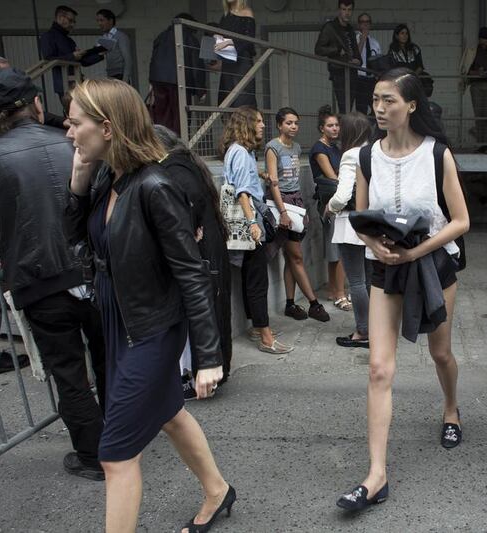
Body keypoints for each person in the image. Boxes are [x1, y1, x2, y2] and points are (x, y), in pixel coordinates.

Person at [65, 78, 235, 532]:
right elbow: (76, 239)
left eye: (74, 123)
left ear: (106, 127)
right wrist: (79, 183)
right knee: (169, 414)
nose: (67, 133)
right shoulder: (107, 176)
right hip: (122, 323)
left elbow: (192, 273)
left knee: (115, 455)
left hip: (152, 332)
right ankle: (218, 491)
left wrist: (208, 358)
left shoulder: (155, 186)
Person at [336, 68, 470, 510]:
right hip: (385, 269)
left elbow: (460, 221)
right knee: (379, 368)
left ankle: (451, 407)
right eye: (375, 99)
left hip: (431, 264)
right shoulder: (366, 157)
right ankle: (376, 475)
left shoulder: (437, 154)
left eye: (388, 99)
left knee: (440, 352)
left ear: (411, 105)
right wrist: (378, 245)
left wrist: (414, 253)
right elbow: (360, 219)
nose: (379, 107)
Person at [0, 68, 107, 480]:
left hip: (39, 279)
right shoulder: (72, 142)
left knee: (69, 370)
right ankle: (122, 440)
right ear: (37, 103)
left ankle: (92, 455)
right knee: (109, 360)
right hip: (93, 271)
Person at [154, 125, 236, 384]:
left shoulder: (175, 170)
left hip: (201, 254)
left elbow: (184, 215)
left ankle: (202, 374)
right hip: (209, 252)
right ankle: (208, 371)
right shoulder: (185, 164)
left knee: (203, 316)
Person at [220, 106, 293, 354]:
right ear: (247, 124)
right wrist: (253, 224)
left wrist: (262, 174)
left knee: (250, 277)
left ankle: (255, 327)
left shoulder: (241, 151)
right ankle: (265, 337)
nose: (263, 125)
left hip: (245, 224)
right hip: (249, 224)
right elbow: (242, 191)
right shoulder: (240, 153)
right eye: (259, 121)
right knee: (257, 280)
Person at [265, 107, 331, 322]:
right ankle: (313, 303)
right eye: (289, 123)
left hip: (296, 203)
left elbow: (294, 182)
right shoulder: (272, 148)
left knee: (290, 256)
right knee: (297, 256)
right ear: (279, 125)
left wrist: (300, 210)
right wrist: (283, 212)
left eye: (296, 123)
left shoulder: (294, 147)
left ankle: (290, 304)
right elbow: (274, 182)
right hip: (282, 204)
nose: (293, 127)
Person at [327, 111, 373, 348]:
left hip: (350, 223)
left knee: (355, 281)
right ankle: (376, 327)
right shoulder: (375, 151)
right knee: (368, 280)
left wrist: (330, 207)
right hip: (371, 223)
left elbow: (343, 194)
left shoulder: (349, 155)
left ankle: (363, 332)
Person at [310, 105, 350, 311]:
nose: (335, 129)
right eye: (330, 125)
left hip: (338, 202)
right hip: (329, 203)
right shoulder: (319, 149)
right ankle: (339, 293)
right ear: (321, 128)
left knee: (337, 248)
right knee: (337, 248)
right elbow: (333, 177)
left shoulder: (335, 147)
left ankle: (335, 290)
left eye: (337, 125)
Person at [148, 13, 206, 135]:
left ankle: (163, 145)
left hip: (158, 81)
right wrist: (201, 91)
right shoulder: (190, 38)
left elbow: (153, 61)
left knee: (162, 117)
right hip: (180, 82)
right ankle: (179, 146)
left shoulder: (161, 36)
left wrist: (151, 83)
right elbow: (196, 66)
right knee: (180, 119)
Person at [39, 5, 104, 103]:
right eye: (71, 21)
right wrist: (72, 56)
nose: (73, 25)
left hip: (77, 82)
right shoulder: (48, 36)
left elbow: (83, 61)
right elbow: (49, 60)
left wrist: (100, 54)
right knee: (72, 113)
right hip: (64, 85)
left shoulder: (68, 40)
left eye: (74, 22)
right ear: (61, 18)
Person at [315, 0, 361, 114]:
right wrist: (336, 50)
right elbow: (318, 50)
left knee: (349, 108)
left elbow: (356, 52)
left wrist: (358, 60)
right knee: (344, 108)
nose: (347, 13)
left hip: (352, 72)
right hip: (339, 71)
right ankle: (343, 130)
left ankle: (345, 130)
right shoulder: (330, 27)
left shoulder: (350, 28)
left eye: (349, 10)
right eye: (344, 9)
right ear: (339, 10)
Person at [217, 0, 257, 108]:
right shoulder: (225, 15)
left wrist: (229, 42)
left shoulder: (246, 12)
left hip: (242, 60)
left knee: (243, 96)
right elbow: (221, 36)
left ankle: (245, 122)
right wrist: (217, 38)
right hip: (228, 60)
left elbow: (249, 39)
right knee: (226, 95)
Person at [96, 9, 133, 84]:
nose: (99, 23)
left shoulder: (121, 36)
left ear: (110, 21)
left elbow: (128, 59)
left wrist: (125, 79)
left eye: (102, 20)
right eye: (98, 21)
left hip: (120, 75)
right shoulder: (104, 38)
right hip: (110, 75)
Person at [355, 12, 382, 115]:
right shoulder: (355, 39)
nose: (365, 24)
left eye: (367, 22)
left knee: (375, 107)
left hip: (372, 79)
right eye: (362, 22)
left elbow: (379, 61)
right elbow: (356, 55)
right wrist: (363, 38)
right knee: (361, 110)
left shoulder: (375, 42)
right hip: (359, 79)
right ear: (359, 25)